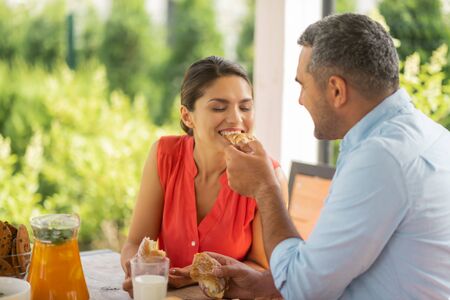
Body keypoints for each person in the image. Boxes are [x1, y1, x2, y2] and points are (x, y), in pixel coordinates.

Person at [209, 13, 450, 299]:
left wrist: (265, 187)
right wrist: (270, 284)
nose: (301, 100)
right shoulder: (429, 135)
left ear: (336, 90)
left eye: (303, 86)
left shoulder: (381, 158)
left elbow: (304, 291)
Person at [120, 56, 288, 296]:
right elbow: (135, 243)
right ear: (188, 116)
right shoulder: (164, 155)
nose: (236, 119)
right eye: (219, 107)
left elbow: (262, 270)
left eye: (245, 107)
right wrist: (136, 269)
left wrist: (193, 277)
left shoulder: (268, 177)